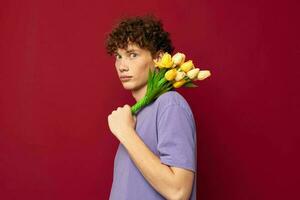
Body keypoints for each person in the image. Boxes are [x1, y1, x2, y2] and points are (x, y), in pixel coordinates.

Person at [106, 15, 197, 200]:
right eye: (118, 56)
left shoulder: (170, 104)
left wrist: (125, 133)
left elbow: (178, 191)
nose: (122, 66)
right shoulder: (136, 113)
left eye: (133, 55)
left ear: (158, 58)